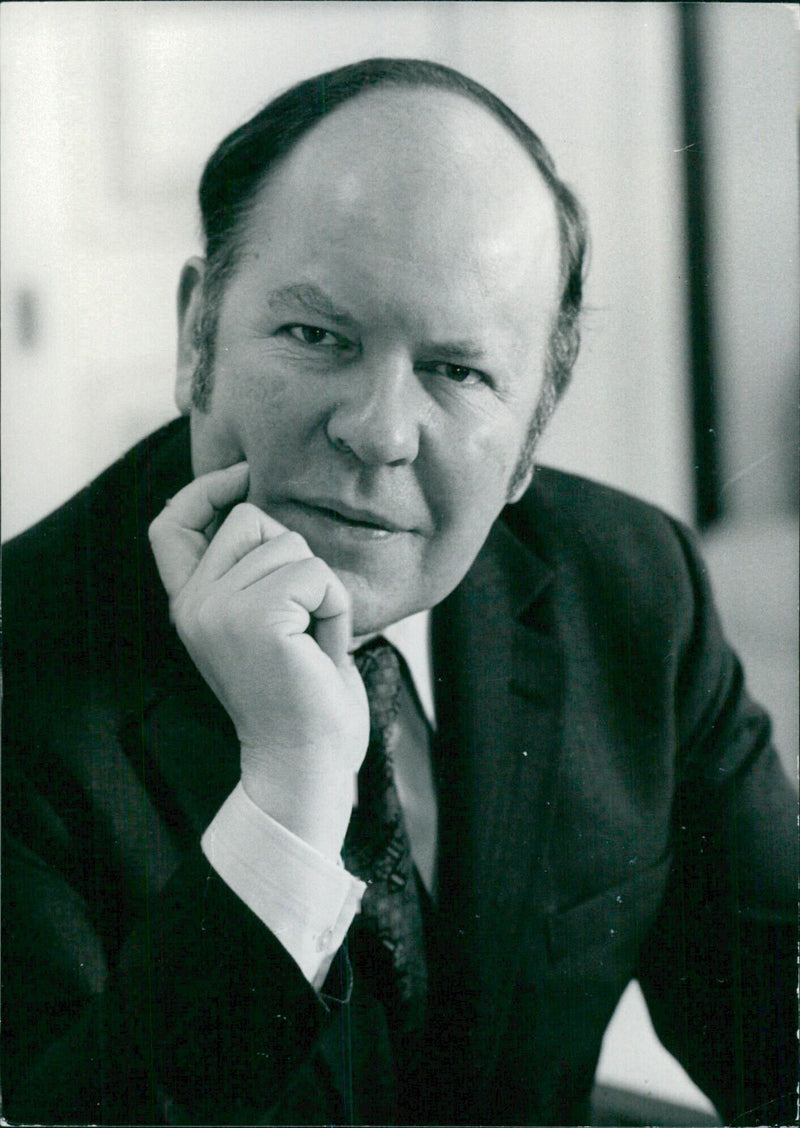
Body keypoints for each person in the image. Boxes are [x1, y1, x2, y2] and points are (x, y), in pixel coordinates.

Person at [2, 58, 795, 1127]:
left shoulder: (632, 585)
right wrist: (288, 795)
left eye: (459, 372)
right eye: (315, 336)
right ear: (198, 339)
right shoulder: (21, 667)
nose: (377, 431)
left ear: (526, 443)